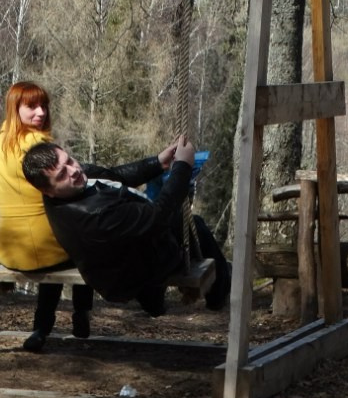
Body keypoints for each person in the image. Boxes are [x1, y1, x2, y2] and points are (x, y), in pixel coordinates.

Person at [21, 135, 231, 316]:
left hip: (116, 262)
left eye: (69, 161)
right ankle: (219, 295)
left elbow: (112, 176)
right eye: (61, 174)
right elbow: (158, 216)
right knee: (195, 225)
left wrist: (158, 163)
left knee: (176, 228)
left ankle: (154, 303)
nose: (73, 170)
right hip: (127, 274)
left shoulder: (67, 188)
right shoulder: (95, 217)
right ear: (46, 190)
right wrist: (183, 167)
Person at [0, 81, 95, 352]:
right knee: (84, 242)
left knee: (54, 247)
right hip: (44, 248)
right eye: (31, 106)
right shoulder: (37, 144)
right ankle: (81, 313)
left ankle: (40, 329)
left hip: (9, 249)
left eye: (44, 106)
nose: (41, 113)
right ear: (15, 109)